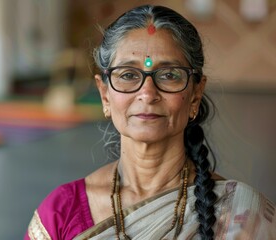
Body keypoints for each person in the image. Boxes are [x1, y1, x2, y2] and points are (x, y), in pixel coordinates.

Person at [25, 5, 276, 240]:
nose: (147, 93)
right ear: (104, 95)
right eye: (128, 75)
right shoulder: (61, 211)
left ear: (195, 95)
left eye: (168, 75)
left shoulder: (238, 214)